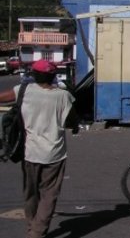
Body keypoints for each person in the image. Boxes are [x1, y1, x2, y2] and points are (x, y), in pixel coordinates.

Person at [0, 60, 77, 238]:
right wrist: (74, 125)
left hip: (30, 153)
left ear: (33, 75)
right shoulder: (62, 95)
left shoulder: (24, 90)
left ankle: (33, 228)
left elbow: (3, 97)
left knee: (31, 194)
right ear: (53, 76)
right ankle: (36, 232)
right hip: (54, 154)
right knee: (48, 196)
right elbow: (72, 120)